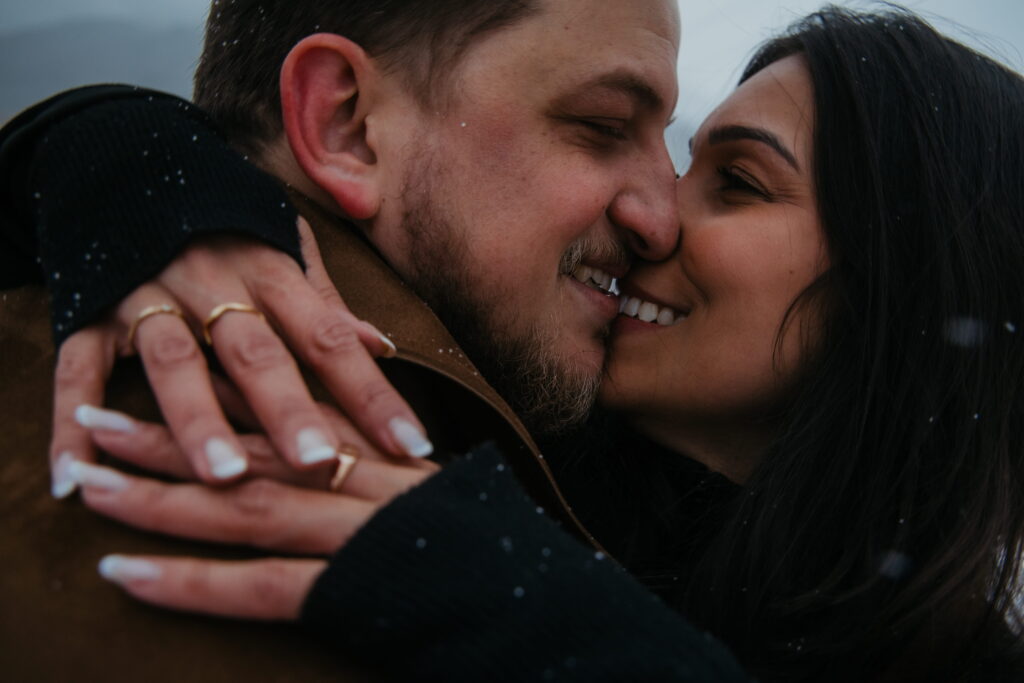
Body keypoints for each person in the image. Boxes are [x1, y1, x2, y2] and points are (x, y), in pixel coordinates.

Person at [5, 4, 1024, 683]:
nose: (656, 216)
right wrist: (115, 148)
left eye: (741, 182)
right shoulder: (476, 435)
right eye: (603, 128)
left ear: (905, 300)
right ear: (347, 122)